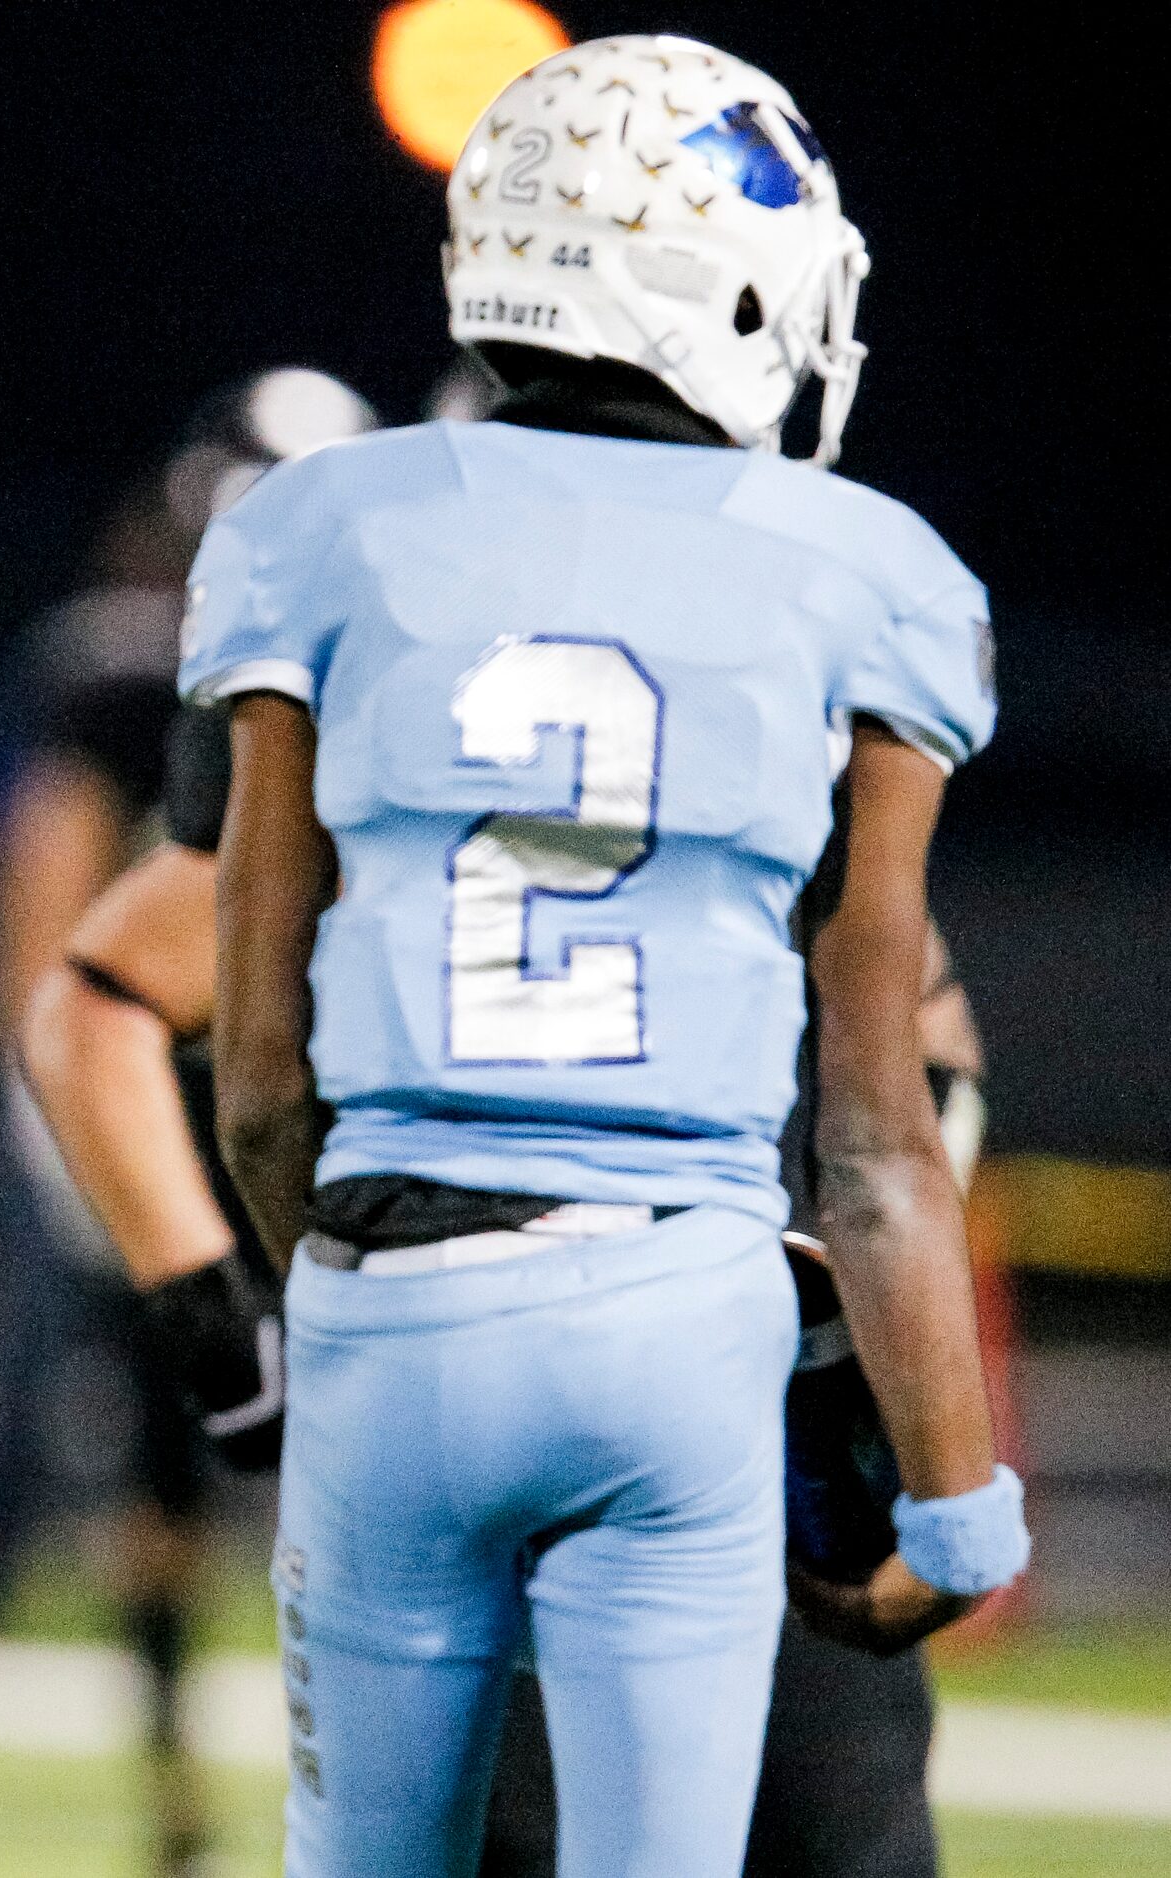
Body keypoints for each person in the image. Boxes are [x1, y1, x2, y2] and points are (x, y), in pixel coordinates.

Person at [182, 37, 1032, 1876]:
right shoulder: (865, 567)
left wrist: (339, 1291)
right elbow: (877, 1143)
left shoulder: (313, 528)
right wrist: (956, 1512)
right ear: (723, 278)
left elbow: (256, 1079)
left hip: (385, 1290)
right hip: (673, 1307)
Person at [30, 703, 994, 1877]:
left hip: (657, 1376)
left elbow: (922, 1033)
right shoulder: (384, 672)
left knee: (833, 1831)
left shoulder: (766, 647)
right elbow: (109, 1002)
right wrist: (234, 1329)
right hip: (579, 1377)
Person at [0, 370, 369, 1874]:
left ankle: (309, 1782)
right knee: (168, 1467)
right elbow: (45, 934)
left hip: (307, 1121)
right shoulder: (123, 678)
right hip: (167, 1122)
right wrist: (66, 1133)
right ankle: (176, 1775)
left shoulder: (372, 671)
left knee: (343, 1477)